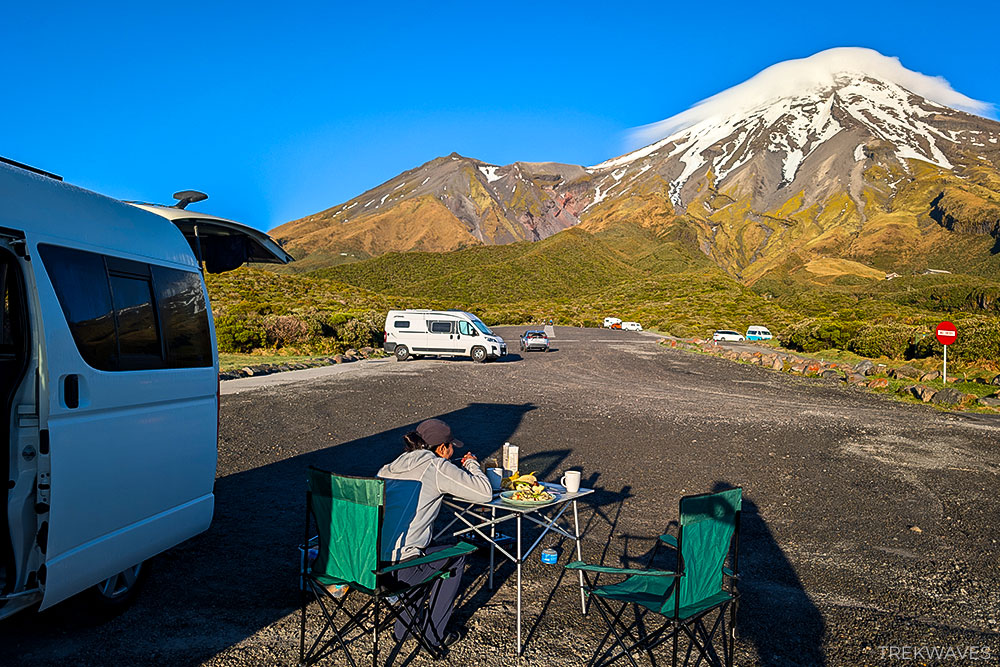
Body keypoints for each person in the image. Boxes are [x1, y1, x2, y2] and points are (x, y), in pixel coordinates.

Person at [377, 418, 492, 649]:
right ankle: (434, 635)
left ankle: (403, 629)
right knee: (454, 558)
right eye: (450, 447)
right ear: (441, 448)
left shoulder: (388, 468)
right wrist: (471, 464)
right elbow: (484, 494)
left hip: (369, 568)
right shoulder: (436, 466)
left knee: (422, 553)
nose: (451, 452)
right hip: (400, 570)